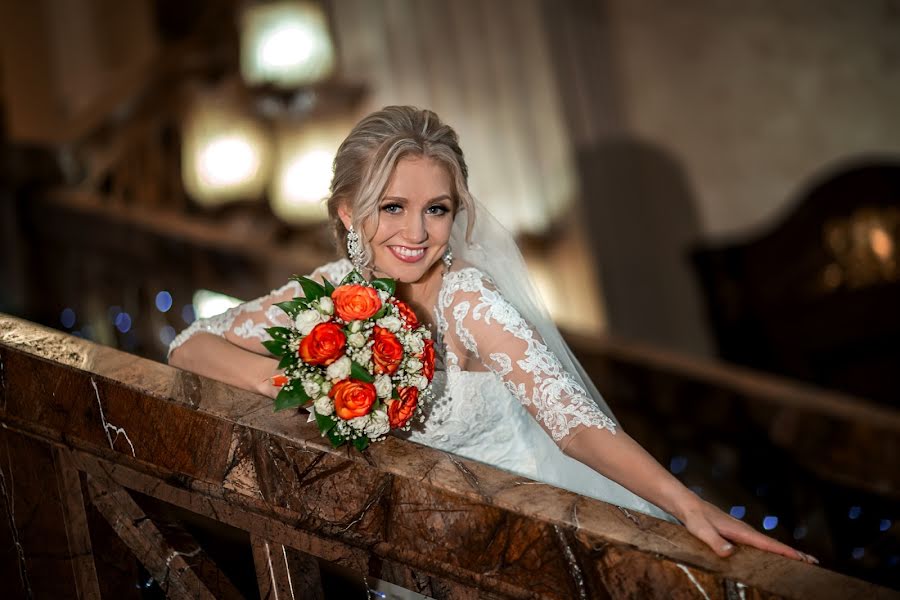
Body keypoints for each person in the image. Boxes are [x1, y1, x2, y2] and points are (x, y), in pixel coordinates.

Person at [168, 106, 816, 564]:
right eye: (393, 207)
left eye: (436, 209)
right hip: (410, 542)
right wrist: (298, 380)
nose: (416, 234)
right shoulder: (333, 296)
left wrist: (686, 504)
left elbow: (573, 422)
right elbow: (190, 344)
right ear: (348, 214)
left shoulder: (467, 299)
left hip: (523, 539)